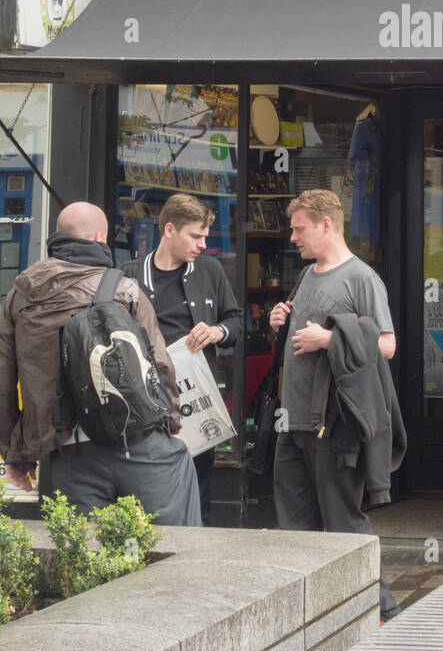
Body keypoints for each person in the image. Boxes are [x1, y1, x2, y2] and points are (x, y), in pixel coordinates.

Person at [0, 201, 200, 524]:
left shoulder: (21, 293)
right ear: (99, 237)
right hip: (137, 446)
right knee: (171, 551)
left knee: (76, 562)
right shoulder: (125, 289)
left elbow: (4, 381)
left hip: (65, 455)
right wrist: (171, 425)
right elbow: (161, 365)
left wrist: (16, 456)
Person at [269, 189, 404, 621]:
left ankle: (384, 611)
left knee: (344, 525)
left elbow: (386, 345)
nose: (293, 237)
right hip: (292, 424)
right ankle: (309, 617)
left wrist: (329, 340)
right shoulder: (308, 275)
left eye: (299, 228)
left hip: (334, 426)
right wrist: (280, 321)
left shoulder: (363, 279)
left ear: (326, 225)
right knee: (295, 528)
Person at [120, 193, 242, 525]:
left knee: (197, 485)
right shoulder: (128, 274)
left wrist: (218, 331)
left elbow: (236, 320)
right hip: (146, 400)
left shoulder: (209, 269)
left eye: (205, 236)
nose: (203, 244)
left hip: (195, 395)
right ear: (169, 229)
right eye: (196, 235)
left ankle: (195, 561)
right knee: (145, 485)